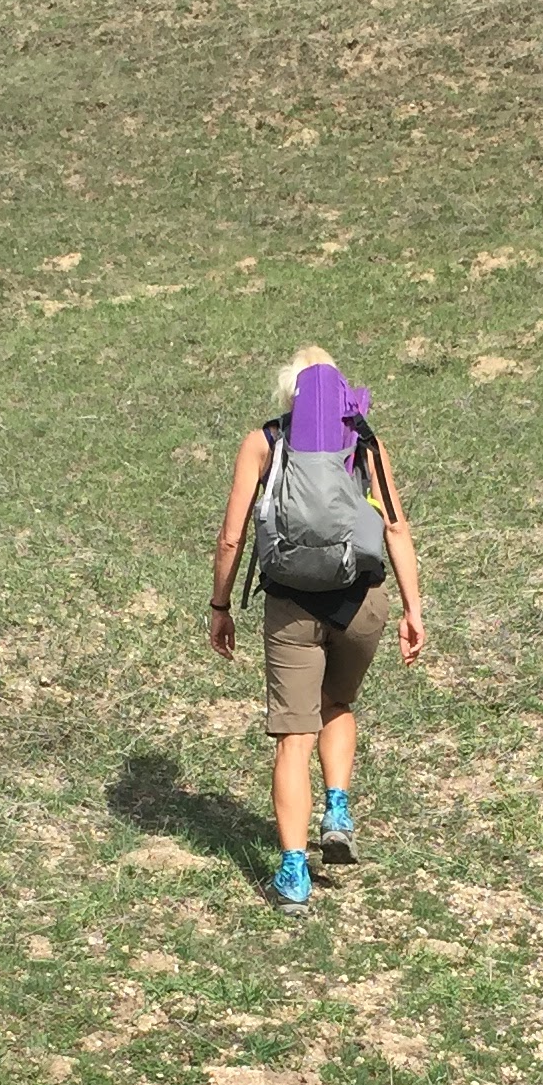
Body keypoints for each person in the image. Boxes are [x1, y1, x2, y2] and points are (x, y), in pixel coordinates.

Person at [209, 344, 424, 911]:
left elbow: (232, 537)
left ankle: (294, 874)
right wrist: (413, 610)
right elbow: (396, 530)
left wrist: (221, 605)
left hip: (289, 606)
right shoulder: (365, 442)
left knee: (293, 738)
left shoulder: (264, 441)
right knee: (339, 704)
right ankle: (337, 808)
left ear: (290, 394)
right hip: (362, 602)